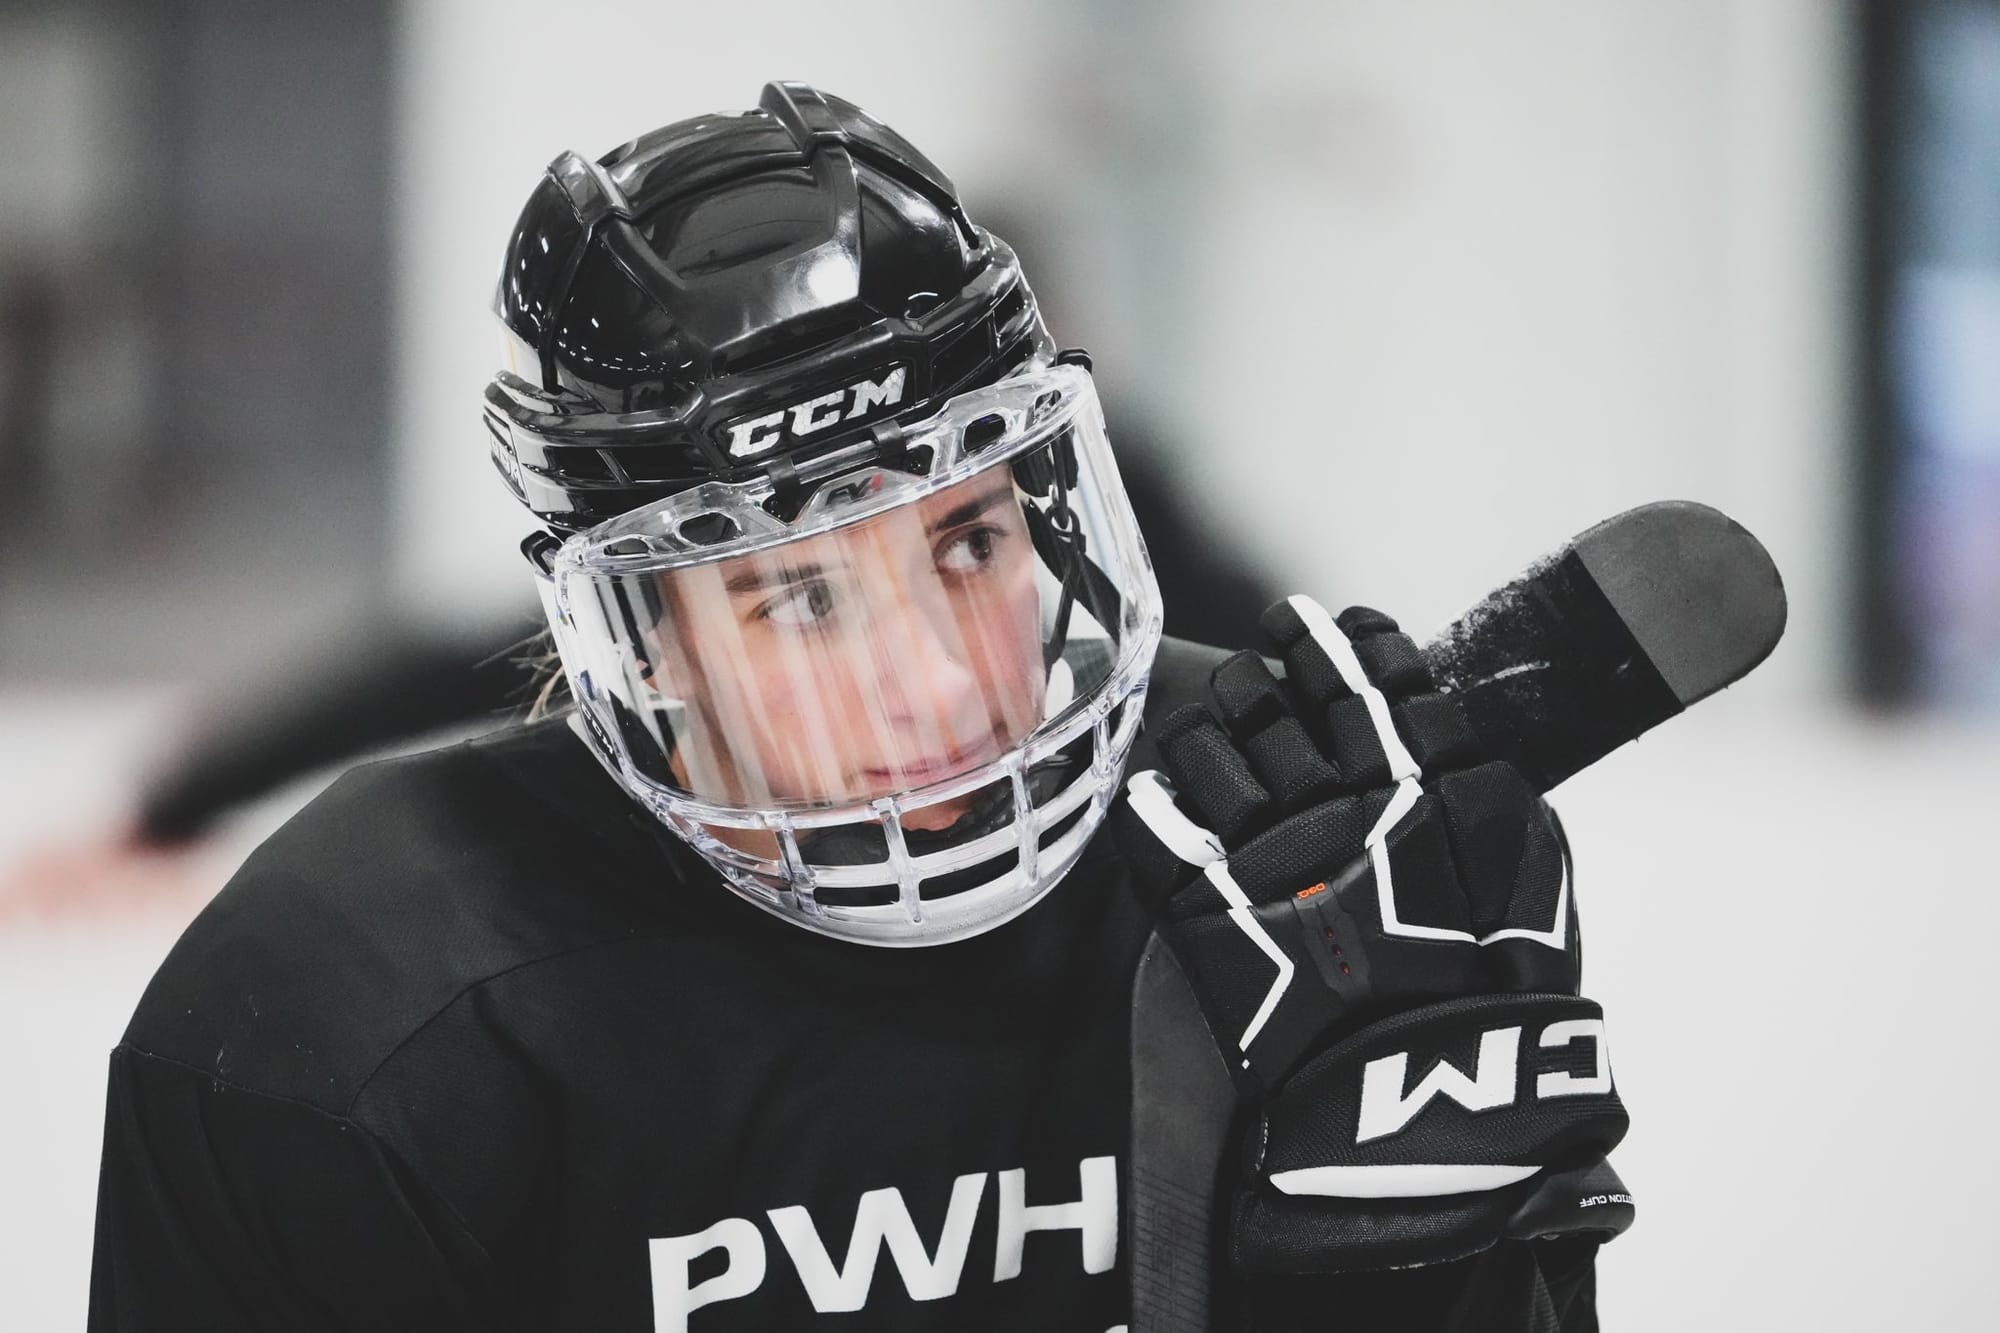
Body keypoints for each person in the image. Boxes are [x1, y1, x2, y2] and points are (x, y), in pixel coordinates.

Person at [88, 83, 1631, 1331]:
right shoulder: (354, 1022)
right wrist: (175, 792)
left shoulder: (1288, 860)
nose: (946, 677)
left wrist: (1450, 1288)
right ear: (646, 639)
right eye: (799, 593)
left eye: (969, 538)